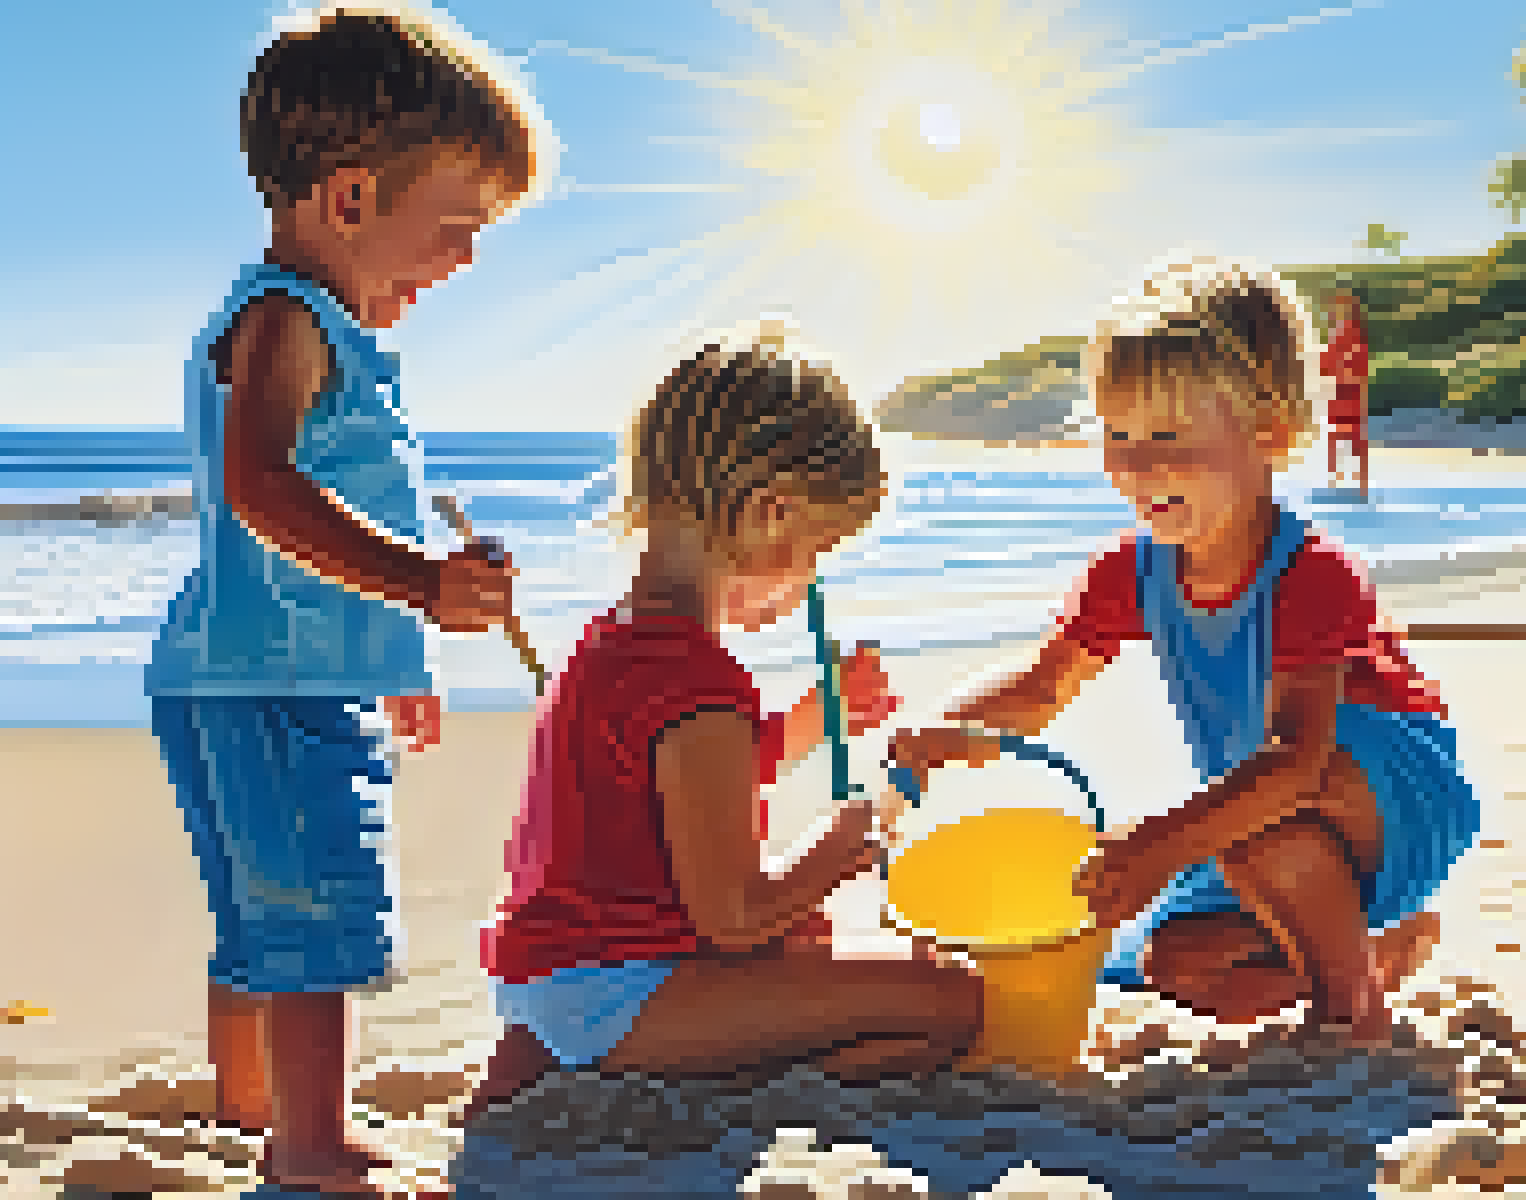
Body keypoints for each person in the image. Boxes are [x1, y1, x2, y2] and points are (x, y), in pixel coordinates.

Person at [141, 8, 537, 1192]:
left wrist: (401, 651)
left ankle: (251, 1111)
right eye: (455, 230)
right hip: (277, 680)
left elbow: (327, 522)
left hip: (250, 666)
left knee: (263, 909)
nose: (462, 262)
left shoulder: (317, 326)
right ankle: (308, 1143)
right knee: (315, 909)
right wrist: (421, 584)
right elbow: (265, 489)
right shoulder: (287, 322)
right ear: (352, 199)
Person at [887, 259, 1475, 1045]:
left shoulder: (1311, 576)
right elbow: (1041, 690)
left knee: (1262, 815)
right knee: (1180, 965)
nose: (1133, 466)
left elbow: (1300, 763)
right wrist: (949, 730)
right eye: (1117, 435)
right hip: (1253, 820)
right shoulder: (1130, 572)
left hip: (1383, 800)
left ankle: (1352, 1010)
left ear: (1268, 434)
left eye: (1165, 436)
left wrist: (1161, 844)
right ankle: (1370, 954)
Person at [466, 327, 982, 1120]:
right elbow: (733, 917)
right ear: (769, 514)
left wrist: (814, 717)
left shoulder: (611, 642)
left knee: (805, 940)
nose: (810, 576)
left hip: (547, 979)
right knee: (950, 1000)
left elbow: (683, 787)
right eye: (818, 548)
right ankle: (714, 1081)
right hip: (629, 991)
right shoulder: (699, 679)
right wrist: (836, 853)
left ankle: (566, 1056)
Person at [1320, 291, 1372, 497]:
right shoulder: (1337, 335)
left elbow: (1357, 369)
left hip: (1350, 395)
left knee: (1353, 439)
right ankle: (1337, 480)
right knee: (1337, 437)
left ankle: (1358, 483)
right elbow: (1326, 366)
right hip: (1340, 395)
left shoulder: (1352, 335)